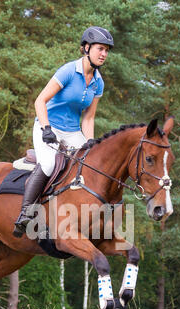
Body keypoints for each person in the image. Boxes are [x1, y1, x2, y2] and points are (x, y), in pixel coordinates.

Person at [13, 26, 114, 237]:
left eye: (106, 50)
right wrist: (46, 128)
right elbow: (40, 100)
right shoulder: (69, 71)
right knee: (49, 164)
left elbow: (89, 117)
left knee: (89, 165)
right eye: (100, 48)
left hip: (72, 131)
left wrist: (91, 142)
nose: (104, 54)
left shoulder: (99, 83)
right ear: (86, 48)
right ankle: (25, 213)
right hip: (47, 126)